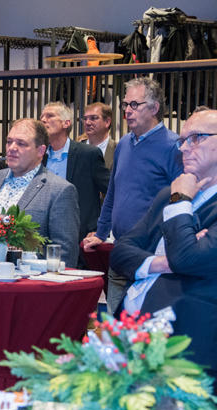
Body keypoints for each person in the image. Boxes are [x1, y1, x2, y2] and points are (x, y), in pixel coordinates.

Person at [110, 109, 217, 374]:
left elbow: (186, 259)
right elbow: (120, 252)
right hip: (128, 331)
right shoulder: (166, 195)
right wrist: (160, 263)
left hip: (184, 346)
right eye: (182, 140)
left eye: (195, 138)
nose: (183, 148)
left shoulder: (176, 196)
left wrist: (181, 202)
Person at [82, 77, 184, 314]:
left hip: (154, 253)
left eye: (135, 105)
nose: (127, 111)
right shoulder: (124, 144)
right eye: (125, 105)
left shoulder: (174, 146)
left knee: (144, 324)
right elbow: (112, 192)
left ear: (154, 108)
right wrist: (100, 233)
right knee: (116, 323)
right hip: (121, 249)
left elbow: (181, 200)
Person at [0, 119, 80, 267]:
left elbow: (64, 255)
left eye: (21, 143)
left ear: (40, 151)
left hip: (29, 279)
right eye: (9, 142)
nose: (12, 148)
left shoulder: (59, 190)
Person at [40, 102, 110, 262]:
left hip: (80, 236)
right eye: (42, 116)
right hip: (44, 237)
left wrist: (99, 228)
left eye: (50, 116)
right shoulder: (39, 156)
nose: (43, 120)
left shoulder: (88, 154)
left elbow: (112, 193)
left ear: (66, 123)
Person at [78, 102, 117, 169]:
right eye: (85, 119)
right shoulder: (76, 150)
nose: (87, 122)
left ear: (107, 122)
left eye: (93, 118)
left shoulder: (118, 150)